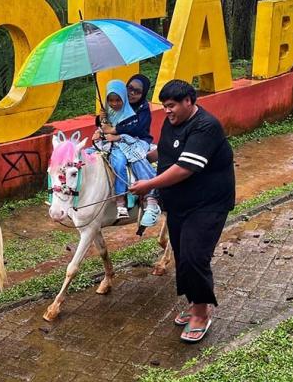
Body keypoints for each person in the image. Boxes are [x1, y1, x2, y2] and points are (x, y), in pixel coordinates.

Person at [129, 80, 234, 343]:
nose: (167, 111)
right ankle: (195, 303)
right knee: (181, 255)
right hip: (179, 203)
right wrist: (136, 154)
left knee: (195, 256)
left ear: (189, 101)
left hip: (208, 203)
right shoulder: (171, 122)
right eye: (164, 106)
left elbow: (185, 168)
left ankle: (201, 312)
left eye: (172, 105)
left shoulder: (206, 127)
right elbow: (164, 153)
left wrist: (148, 185)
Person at [92, 79, 161, 226]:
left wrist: (116, 133)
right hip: (113, 141)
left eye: (137, 91)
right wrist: (100, 121)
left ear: (143, 93)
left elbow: (137, 128)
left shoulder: (142, 108)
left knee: (134, 160)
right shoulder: (112, 106)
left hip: (137, 140)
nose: (132, 93)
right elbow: (106, 124)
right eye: (130, 89)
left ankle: (150, 196)